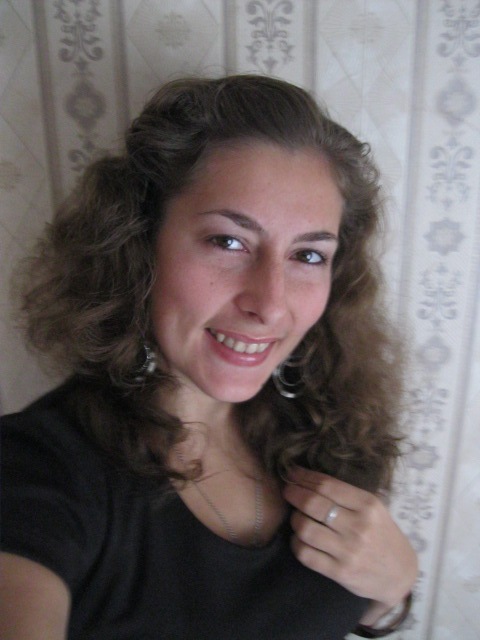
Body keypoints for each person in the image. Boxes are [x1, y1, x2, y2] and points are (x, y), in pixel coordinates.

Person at [0, 75, 417, 640]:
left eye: (308, 255)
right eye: (228, 241)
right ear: (139, 242)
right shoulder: (41, 466)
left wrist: (391, 595)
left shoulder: (326, 426)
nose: (270, 304)